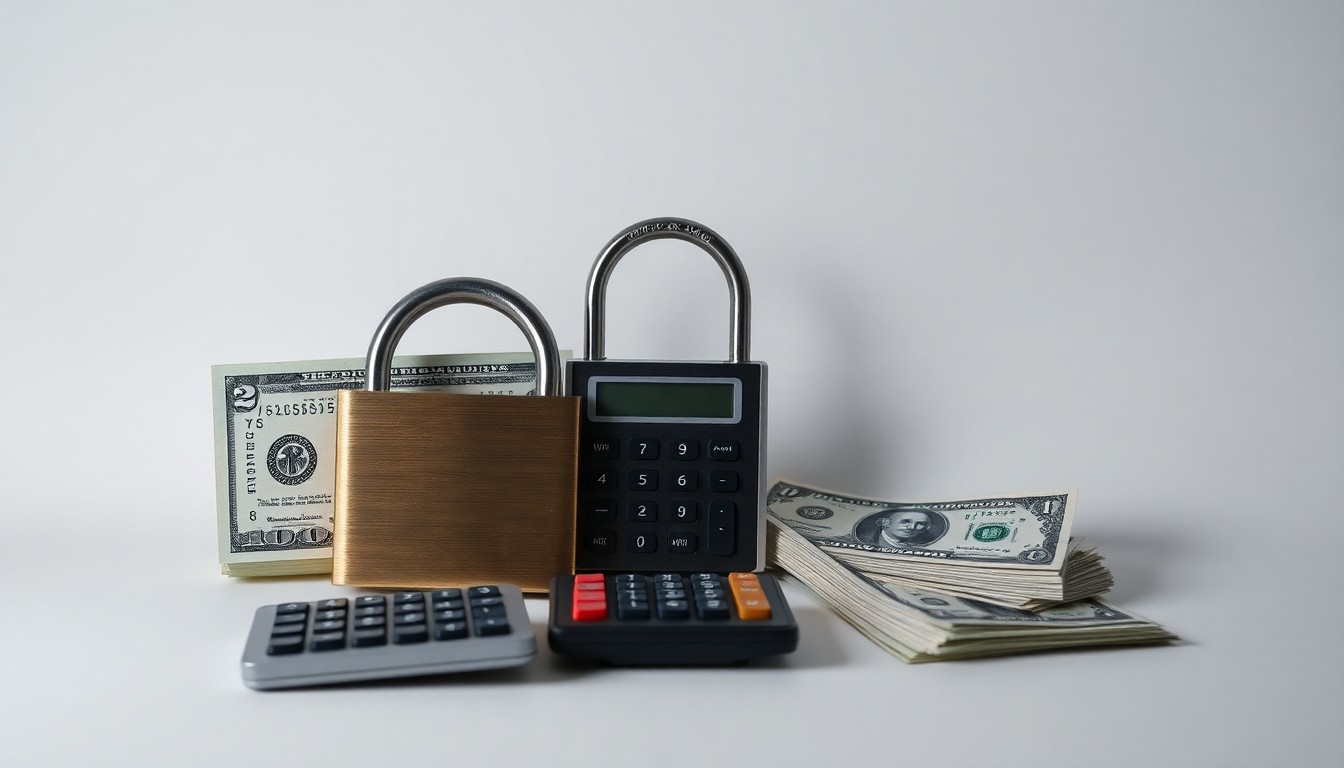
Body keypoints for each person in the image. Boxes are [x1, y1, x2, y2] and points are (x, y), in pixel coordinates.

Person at [857, 508, 945, 548]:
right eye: (906, 521)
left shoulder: (917, 548)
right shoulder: (867, 540)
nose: (912, 527)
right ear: (885, 522)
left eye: (920, 524)